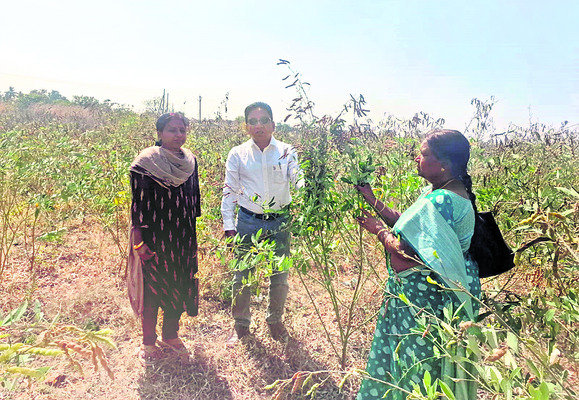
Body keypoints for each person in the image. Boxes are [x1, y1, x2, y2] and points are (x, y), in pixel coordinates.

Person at [355, 130, 481, 399]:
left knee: (417, 361)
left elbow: (406, 249)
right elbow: (410, 227)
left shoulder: (441, 201)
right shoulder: (442, 192)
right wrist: (373, 199)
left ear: (444, 164)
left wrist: (377, 230)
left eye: (423, 155)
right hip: (429, 294)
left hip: (426, 299)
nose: (416, 158)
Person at [221, 101, 303, 346]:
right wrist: (229, 226)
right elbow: (230, 191)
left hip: (280, 221)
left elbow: (297, 179)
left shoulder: (287, 151)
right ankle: (241, 325)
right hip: (248, 220)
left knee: (280, 275)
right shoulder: (238, 154)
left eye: (264, 120)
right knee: (242, 275)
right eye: (253, 121)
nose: (259, 126)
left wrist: (309, 193)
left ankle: (275, 322)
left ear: (273, 124)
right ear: (246, 127)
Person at [127, 112, 201, 364]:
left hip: (183, 236)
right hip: (155, 236)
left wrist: (192, 232)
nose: (178, 134)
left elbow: (195, 201)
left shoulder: (190, 161)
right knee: (152, 290)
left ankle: (170, 335)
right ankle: (148, 341)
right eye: (172, 130)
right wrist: (139, 241)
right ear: (159, 133)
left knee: (180, 285)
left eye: (182, 129)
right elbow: (137, 205)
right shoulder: (146, 163)